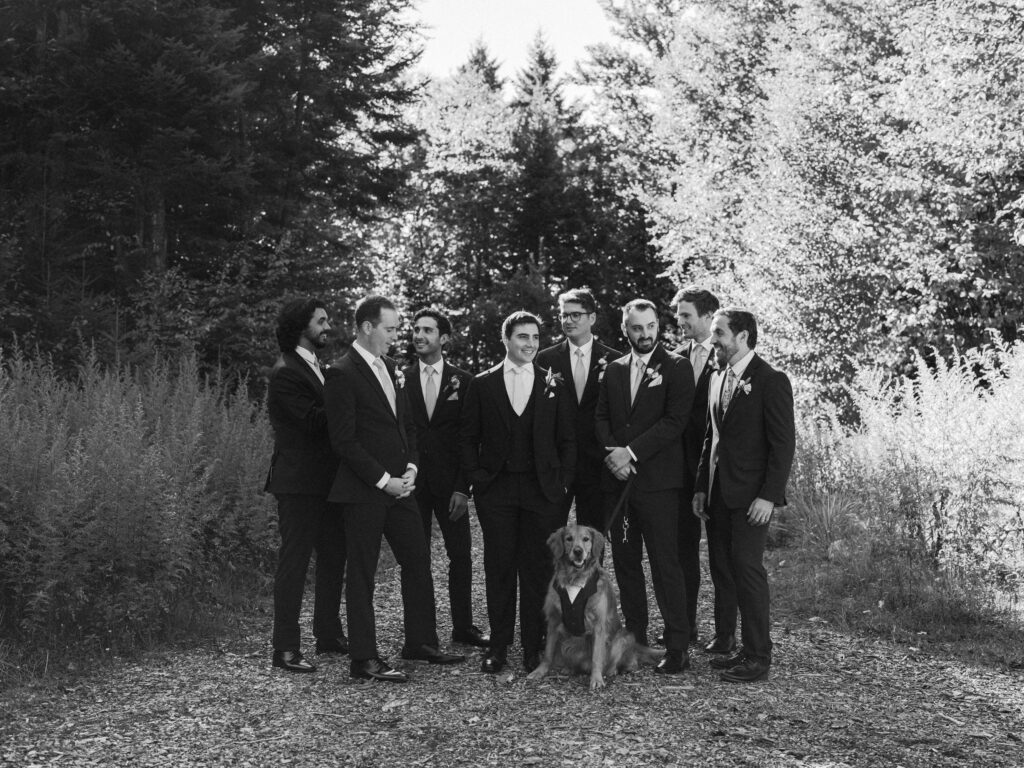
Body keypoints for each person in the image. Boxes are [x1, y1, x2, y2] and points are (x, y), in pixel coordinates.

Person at [325, 295, 464, 683]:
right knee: (363, 573)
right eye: (389, 329)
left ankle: (420, 642)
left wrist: (412, 469)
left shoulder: (391, 368)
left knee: (417, 561)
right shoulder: (341, 372)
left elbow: (407, 427)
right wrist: (384, 481)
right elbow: (344, 441)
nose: (394, 336)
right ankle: (363, 659)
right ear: (368, 328)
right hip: (364, 491)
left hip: (402, 489)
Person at [460, 310, 576, 674]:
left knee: (538, 568)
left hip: (544, 492)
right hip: (497, 490)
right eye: (522, 337)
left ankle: (533, 646)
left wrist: (563, 486)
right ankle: (497, 646)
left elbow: (569, 440)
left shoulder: (553, 383)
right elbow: (467, 438)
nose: (530, 344)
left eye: (535, 338)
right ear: (506, 339)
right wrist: (478, 478)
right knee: (499, 565)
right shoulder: (482, 383)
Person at [693, 308, 795, 683]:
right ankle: (731, 644)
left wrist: (769, 497)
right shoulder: (718, 377)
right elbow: (711, 438)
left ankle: (757, 656)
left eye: (719, 333)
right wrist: (702, 486)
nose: (713, 340)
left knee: (748, 572)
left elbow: (783, 446)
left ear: (742, 337)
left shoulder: (771, 381)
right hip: (720, 493)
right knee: (723, 570)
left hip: (753, 498)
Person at [595, 298, 695, 674]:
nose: (645, 334)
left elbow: (675, 421)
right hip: (618, 486)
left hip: (659, 485)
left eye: (650, 326)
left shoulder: (677, 368)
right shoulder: (615, 370)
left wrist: (630, 453)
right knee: (626, 564)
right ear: (625, 329)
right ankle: (635, 640)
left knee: (666, 565)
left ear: (658, 326)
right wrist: (613, 457)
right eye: (637, 328)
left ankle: (678, 646)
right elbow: (601, 417)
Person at [264, 297, 347, 673]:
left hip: (327, 481)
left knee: (333, 557)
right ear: (302, 327)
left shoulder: (316, 366)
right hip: (297, 483)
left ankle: (328, 634)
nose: (327, 326)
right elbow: (311, 422)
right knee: (294, 563)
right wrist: (349, 399)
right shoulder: (285, 372)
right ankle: (284, 647)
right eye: (321, 321)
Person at [403, 308, 489, 648]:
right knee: (415, 557)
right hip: (411, 484)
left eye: (427, 330)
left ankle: (464, 627)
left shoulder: (464, 381)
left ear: (444, 338)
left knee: (461, 556)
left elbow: (469, 438)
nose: (419, 335)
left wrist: (462, 488)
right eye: (416, 330)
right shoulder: (400, 378)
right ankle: (421, 633)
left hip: (450, 483)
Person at [536, 289, 621, 530]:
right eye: (564, 315)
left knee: (593, 536)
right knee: (550, 534)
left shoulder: (615, 361)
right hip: (557, 462)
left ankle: (592, 571)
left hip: (596, 462)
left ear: (592, 318)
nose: (568, 321)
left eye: (576, 315)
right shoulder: (546, 359)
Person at [670, 286, 723, 651]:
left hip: (718, 472)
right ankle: (684, 627)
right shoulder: (673, 358)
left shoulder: (729, 360)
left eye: (686, 314)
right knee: (681, 553)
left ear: (707, 316)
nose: (680, 321)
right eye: (679, 315)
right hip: (678, 472)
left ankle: (726, 634)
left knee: (722, 558)